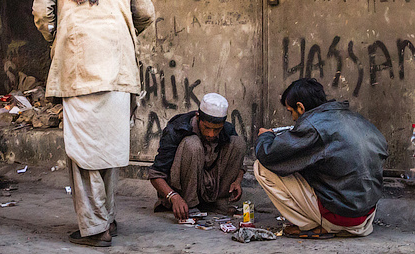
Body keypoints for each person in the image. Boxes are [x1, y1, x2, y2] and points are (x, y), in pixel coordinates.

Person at [33, 0, 154, 247]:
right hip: (118, 68)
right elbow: (145, 13)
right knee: (108, 147)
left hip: (79, 67)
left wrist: (60, 40)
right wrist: (122, 39)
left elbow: (43, 15)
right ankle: (106, 219)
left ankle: (96, 228)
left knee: (84, 152)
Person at [254, 78, 388, 239]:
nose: (293, 119)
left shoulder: (313, 126)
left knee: (261, 167)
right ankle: (331, 222)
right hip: (366, 215)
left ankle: (314, 225)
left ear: (300, 107)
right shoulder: (355, 119)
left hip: (342, 215)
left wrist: (265, 137)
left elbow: (268, 155)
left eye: (291, 112)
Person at [148, 93, 246, 221]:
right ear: (198, 117)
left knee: (238, 143)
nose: (211, 134)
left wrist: (237, 181)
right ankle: (189, 203)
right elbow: (155, 174)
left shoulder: (227, 129)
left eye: (216, 130)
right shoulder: (177, 129)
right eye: (207, 128)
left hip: (210, 185)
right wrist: (173, 197)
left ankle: (218, 202)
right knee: (192, 144)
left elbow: (240, 165)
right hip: (181, 190)